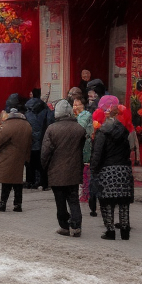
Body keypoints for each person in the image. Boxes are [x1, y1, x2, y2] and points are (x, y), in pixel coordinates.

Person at [41, 99, 86, 237]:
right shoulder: (79, 129)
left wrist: (44, 167)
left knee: (60, 200)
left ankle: (64, 226)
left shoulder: (52, 129)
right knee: (73, 199)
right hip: (74, 170)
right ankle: (76, 226)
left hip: (56, 170)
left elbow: (45, 152)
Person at [89, 102, 134, 240]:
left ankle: (110, 231)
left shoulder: (102, 132)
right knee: (123, 202)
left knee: (106, 202)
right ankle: (125, 231)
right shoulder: (125, 132)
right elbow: (128, 151)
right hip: (123, 169)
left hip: (107, 170)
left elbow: (97, 154)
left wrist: (94, 169)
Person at [0, 95, 33, 211]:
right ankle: (17, 204)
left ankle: (3, 204)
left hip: (8, 157)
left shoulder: (8, 125)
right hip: (20, 157)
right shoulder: (26, 124)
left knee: (6, 182)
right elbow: (30, 141)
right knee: (18, 181)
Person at [24, 89, 53, 189]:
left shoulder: (27, 112)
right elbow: (50, 122)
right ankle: (43, 182)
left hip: (30, 141)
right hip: (43, 140)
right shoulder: (45, 110)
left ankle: (30, 181)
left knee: (30, 162)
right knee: (42, 163)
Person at [74, 94, 95, 215]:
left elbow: (80, 129)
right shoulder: (78, 115)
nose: (74, 106)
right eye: (73, 104)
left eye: (77, 104)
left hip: (85, 147)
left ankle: (85, 194)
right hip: (81, 147)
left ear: (83, 105)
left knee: (85, 171)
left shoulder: (85, 115)